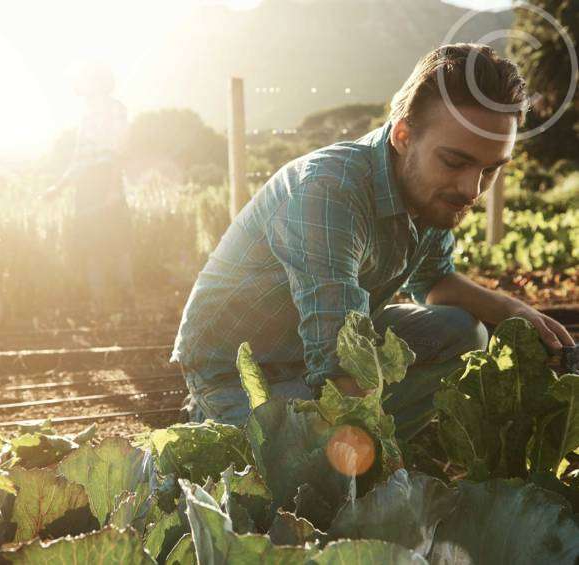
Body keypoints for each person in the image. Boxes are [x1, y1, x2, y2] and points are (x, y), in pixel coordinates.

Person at [171, 43, 575, 440]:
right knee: (300, 479)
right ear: (402, 135)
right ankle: (211, 418)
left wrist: (513, 309)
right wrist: (369, 453)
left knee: (465, 332)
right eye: (455, 162)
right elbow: (338, 360)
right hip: (242, 371)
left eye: (491, 170)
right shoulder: (329, 190)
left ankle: (351, 446)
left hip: (320, 349)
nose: (472, 189)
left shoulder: (431, 193)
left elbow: (434, 283)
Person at [42, 60, 137, 318]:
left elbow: (119, 152)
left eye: (83, 79)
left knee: (118, 243)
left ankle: (127, 303)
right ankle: (100, 306)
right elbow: (79, 159)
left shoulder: (116, 110)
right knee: (92, 246)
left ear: (96, 82)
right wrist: (58, 187)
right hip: (87, 186)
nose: (79, 84)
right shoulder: (86, 114)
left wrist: (113, 189)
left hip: (107, 180)